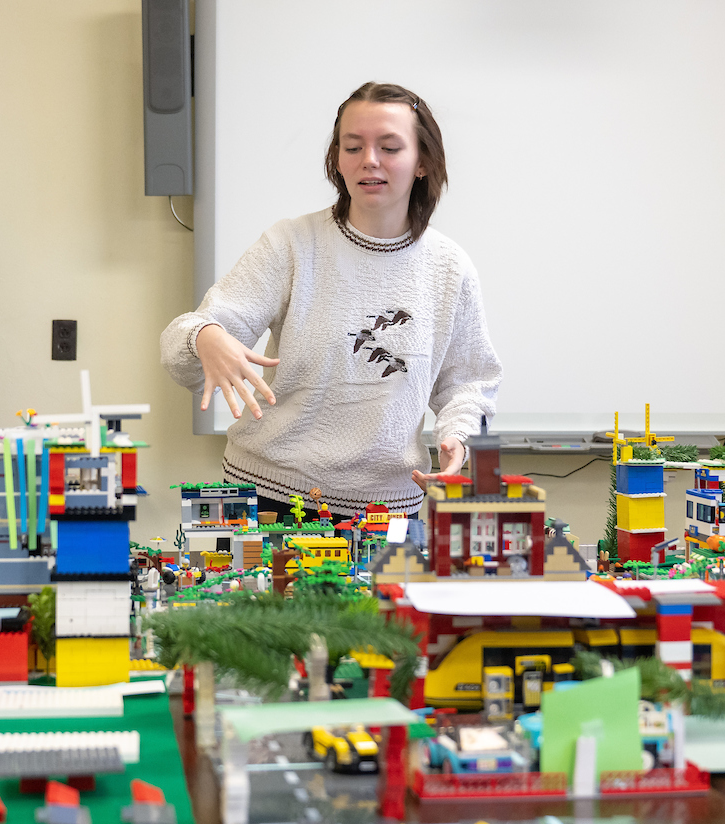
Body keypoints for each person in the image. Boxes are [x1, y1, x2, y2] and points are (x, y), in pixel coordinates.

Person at [161, 82, 502, 520]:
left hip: (389, 511)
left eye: (390, 147)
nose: (369, 161)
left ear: (423, 162)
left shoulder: (449, 267)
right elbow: (182, 343)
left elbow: (469, 383)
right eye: (353, 146)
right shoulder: (292, 243)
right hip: (267, 497)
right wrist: (204, 336)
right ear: (337, 158)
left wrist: (458, 434)